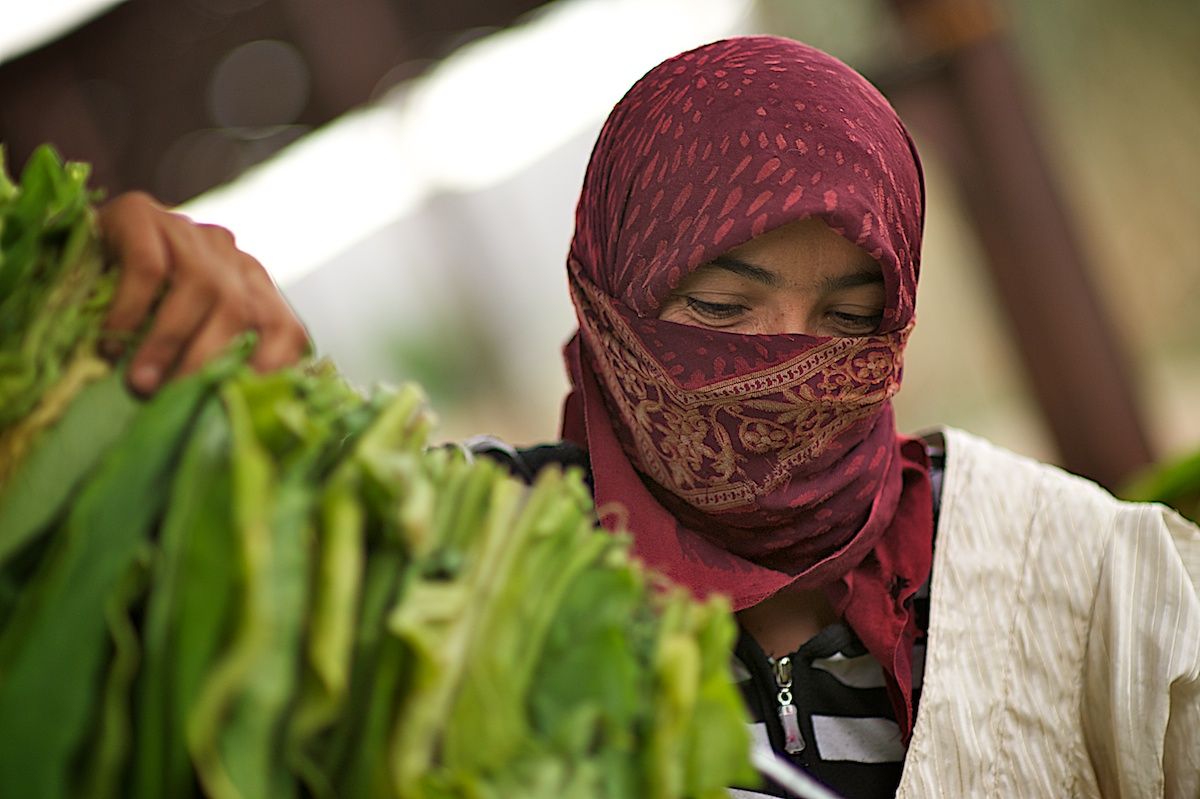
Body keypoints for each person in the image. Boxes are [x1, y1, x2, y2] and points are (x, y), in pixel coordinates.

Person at [95, 36, 1199, 798]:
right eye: (721, 309)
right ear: (609, 294)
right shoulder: (460, 551)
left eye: (848, 318)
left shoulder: (1063, 569)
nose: (784, 368)